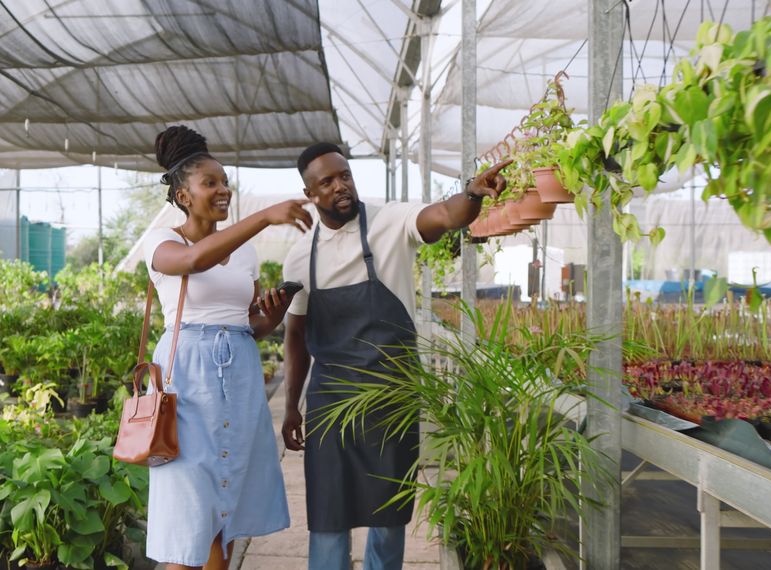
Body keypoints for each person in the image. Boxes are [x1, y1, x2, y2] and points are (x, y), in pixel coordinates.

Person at [280, 143, 508, 570]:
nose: (341, 186)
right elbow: (295, 336)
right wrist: (291, 406)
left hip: (392, 397)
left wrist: (472, 195)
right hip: (331, 403)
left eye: (344, 175)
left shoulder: (390, 221)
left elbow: (444, 215)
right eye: (327, 182)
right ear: (310, 194)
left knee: (388, 515)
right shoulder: (299, 255)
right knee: (328, 515)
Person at [141, 125, 313, 570]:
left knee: (228, 501)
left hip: (238, 373)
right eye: (210, 183)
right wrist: (265, 216)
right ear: (183, 196)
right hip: (187, 377)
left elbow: (249, 322)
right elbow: (193, 262)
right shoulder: (162, 242)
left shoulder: (243, 253)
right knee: (190, 510)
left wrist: (270, 318)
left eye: (225, 182)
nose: (223, 190)